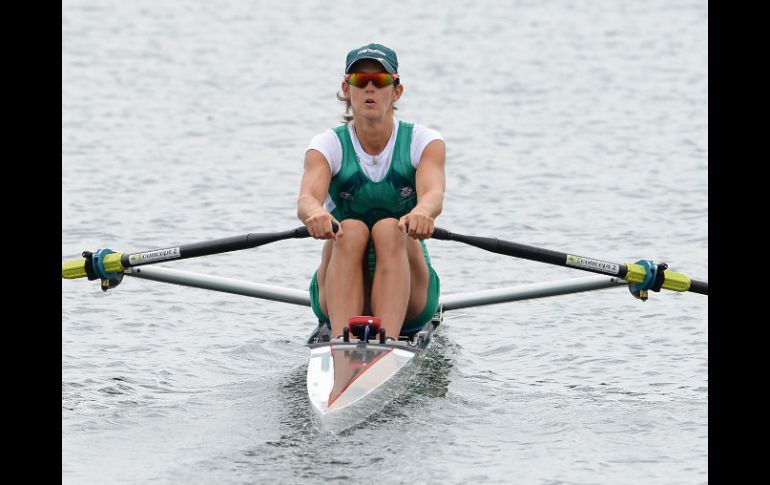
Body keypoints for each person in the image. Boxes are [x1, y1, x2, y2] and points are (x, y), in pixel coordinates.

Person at [297, 43, 446, 340]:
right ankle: (344, 341)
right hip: (338, 288)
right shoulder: (327, 146)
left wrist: (422, 213)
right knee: (349, 229)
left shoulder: (423, 141)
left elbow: (433, 194)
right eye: (358, 80)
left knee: (391, 228)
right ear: (346, 87)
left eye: (378, 81)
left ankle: (385, 343)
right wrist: (315, 213)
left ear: (396, 90)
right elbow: (306, 200)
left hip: (411, 296)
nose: (369, 88)